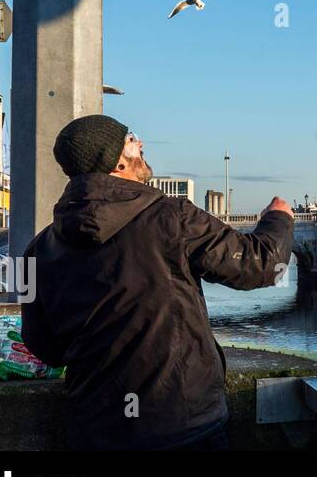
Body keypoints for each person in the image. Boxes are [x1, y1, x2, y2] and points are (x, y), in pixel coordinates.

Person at [21, 114, 294, 450]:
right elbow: (265, 266)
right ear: (117, 161)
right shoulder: (171, 217)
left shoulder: (37, 250)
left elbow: (44, 347)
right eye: (131, 138)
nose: (141, 144)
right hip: (181, 423)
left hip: (95, 429)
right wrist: (278, 219)